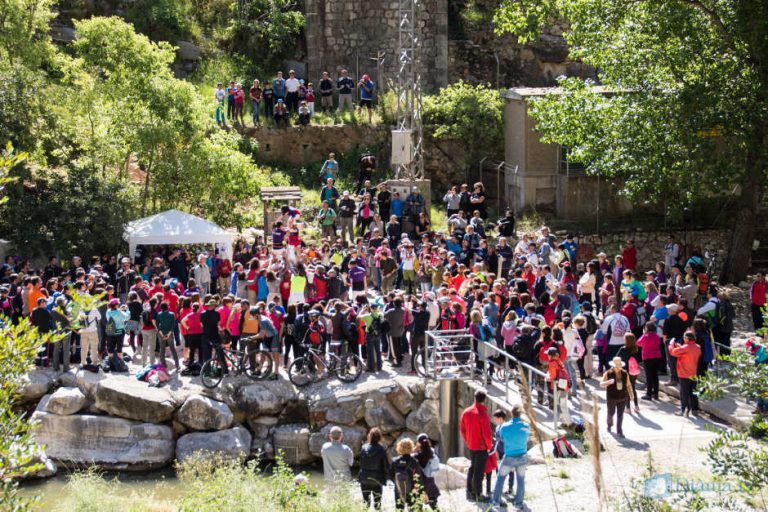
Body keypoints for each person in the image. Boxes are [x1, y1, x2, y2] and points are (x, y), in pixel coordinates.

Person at [492, 405, 530, 510]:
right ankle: (518, 504)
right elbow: (527, 438)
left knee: (500, 479)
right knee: (521, 480)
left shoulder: (504, 427)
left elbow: (502, 438)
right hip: (522, 456)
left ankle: (496, 502)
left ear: (511, 414)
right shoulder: (526, 426)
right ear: (520, 414)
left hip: (509, 457)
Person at [460, 389, 493, 502]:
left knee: (472, 468)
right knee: (479, 471)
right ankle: (478, 494)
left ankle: (469, 492)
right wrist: (489, 446)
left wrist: (468, 441)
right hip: (481, 447)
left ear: (474, 398)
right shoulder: (483, 415)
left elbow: (462, 430)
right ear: (484, 400)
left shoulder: (466, 412)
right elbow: (487, 434)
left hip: (471, 446)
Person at [668, 331, 702, 417]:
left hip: (683, 373)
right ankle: (695, 409)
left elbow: (673, 352)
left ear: (686, 338)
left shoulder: (685, 348)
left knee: (684, 393)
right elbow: (686, 350)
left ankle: (684, 410)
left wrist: (671, 345)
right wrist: (681, 346)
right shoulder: (697, 347)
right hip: (693, 373)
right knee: (693, 392)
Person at [601, 356, 634, 438]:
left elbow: (628, 385)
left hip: (622, 397)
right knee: (611, 413)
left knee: (620, 414)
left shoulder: (625, 373)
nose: (618, 368)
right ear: (613, 366)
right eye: (617, 367)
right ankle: (609, 424)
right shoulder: (608, 373)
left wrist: (631, 396)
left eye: (619, 367)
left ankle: (619, 431)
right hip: (611, 398)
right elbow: (601, 384)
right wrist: (608, 382)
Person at [388, 438, 426, 510]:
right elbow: (419, 478)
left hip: (399, 490)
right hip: (412, 491)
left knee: (399, 509)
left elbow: (390, 476)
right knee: (411, 508)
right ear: (411, 447)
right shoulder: (414, 461)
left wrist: (398, 483)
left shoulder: (395, 461)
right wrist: (421, 491)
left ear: (399, 447)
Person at [358, 427, 389, 510]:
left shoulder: (363, 448)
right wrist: (385, 479)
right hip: (377, 479)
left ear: (369, 436)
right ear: (379, 437)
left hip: (364, 478)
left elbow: (361, 463)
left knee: (365, 503)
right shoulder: (382, 449)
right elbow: (386, 466)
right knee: (377, 504)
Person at [545, 346, 573, 427]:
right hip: (564, 386)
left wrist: (547, 377)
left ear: (551, 355)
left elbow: (552, 376)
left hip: (559, 387)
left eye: (548, 354)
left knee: (561, 405)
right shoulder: (559, 360)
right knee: (562, 403)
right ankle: (564, 422)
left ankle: (568, 423)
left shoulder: (552, 363)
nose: (547, 356)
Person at [637, 321, 662, 400]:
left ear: (647, 328)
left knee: (649, 376)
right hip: (657, 356)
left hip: (647, 357)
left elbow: (638, 342)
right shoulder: (657, 336)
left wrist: (644, 334)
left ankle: (649, 394)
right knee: (655, 375)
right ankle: (656, 393)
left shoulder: (645, 336)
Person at [616, 332, 641, 413]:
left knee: (626, 389)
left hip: (625, 371)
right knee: (632, 388)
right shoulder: (636, 349)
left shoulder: (622, 349)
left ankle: (628, 408)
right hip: (633, 371)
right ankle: (636, 406)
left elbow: (617, 358)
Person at [414, 433, 441, 509]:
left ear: (419, 443)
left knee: (418, 503)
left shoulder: (417, 455)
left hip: (420, 480)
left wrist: (414, 450)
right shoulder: (432, 452)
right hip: (430, 479)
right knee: (433, 502)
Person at [155, 301, 180, 371]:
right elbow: (173, 325)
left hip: (161, 333)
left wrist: (162, 334)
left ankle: (163, 365)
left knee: (162, 349)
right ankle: (177, 365)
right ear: (167, 307)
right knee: (172, 348)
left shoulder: (159, 314)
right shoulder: (172, 314)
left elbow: (157, 325)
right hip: (170, 333)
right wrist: (169, 334)